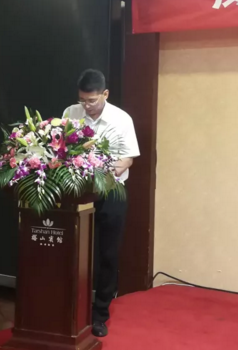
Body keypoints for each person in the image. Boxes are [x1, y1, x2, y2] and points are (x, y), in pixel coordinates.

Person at [63, 69, 140, 338]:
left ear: (105, 94)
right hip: (77, 192)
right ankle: (71, 309)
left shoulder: (121, 119)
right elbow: (62, 150)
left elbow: (128, 159)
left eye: (92, 100)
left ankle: (100, 314)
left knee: (107, 253)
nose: (86, 106)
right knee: (74, 252)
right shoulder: (70, 113)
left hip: (111, 191)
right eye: (82, 100)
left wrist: (106, 170)